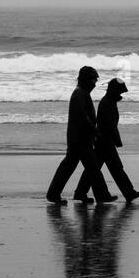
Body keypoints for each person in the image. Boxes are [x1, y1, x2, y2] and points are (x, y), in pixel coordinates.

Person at [45, 66, 117, 204]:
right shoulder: (80, 94)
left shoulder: (81, 93)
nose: (94, 84)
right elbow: (83, 118)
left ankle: (57, 194)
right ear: (85, 79)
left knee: (73, 167)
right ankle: (101, 195)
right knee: (92, 168)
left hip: (78, 138)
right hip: (80, 139)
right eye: (93, 80)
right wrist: (95, 131)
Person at [77, 78, 139, 203]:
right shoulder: (107, 103)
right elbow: (109, 126)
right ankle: (129, 193)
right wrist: (116, 140)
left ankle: (80, 193)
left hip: (104, 141)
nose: (121, 95)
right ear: (114, 91)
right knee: (114, 168)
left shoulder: (109, 101)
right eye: (119, 92)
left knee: (94, 169)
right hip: (105, 142)